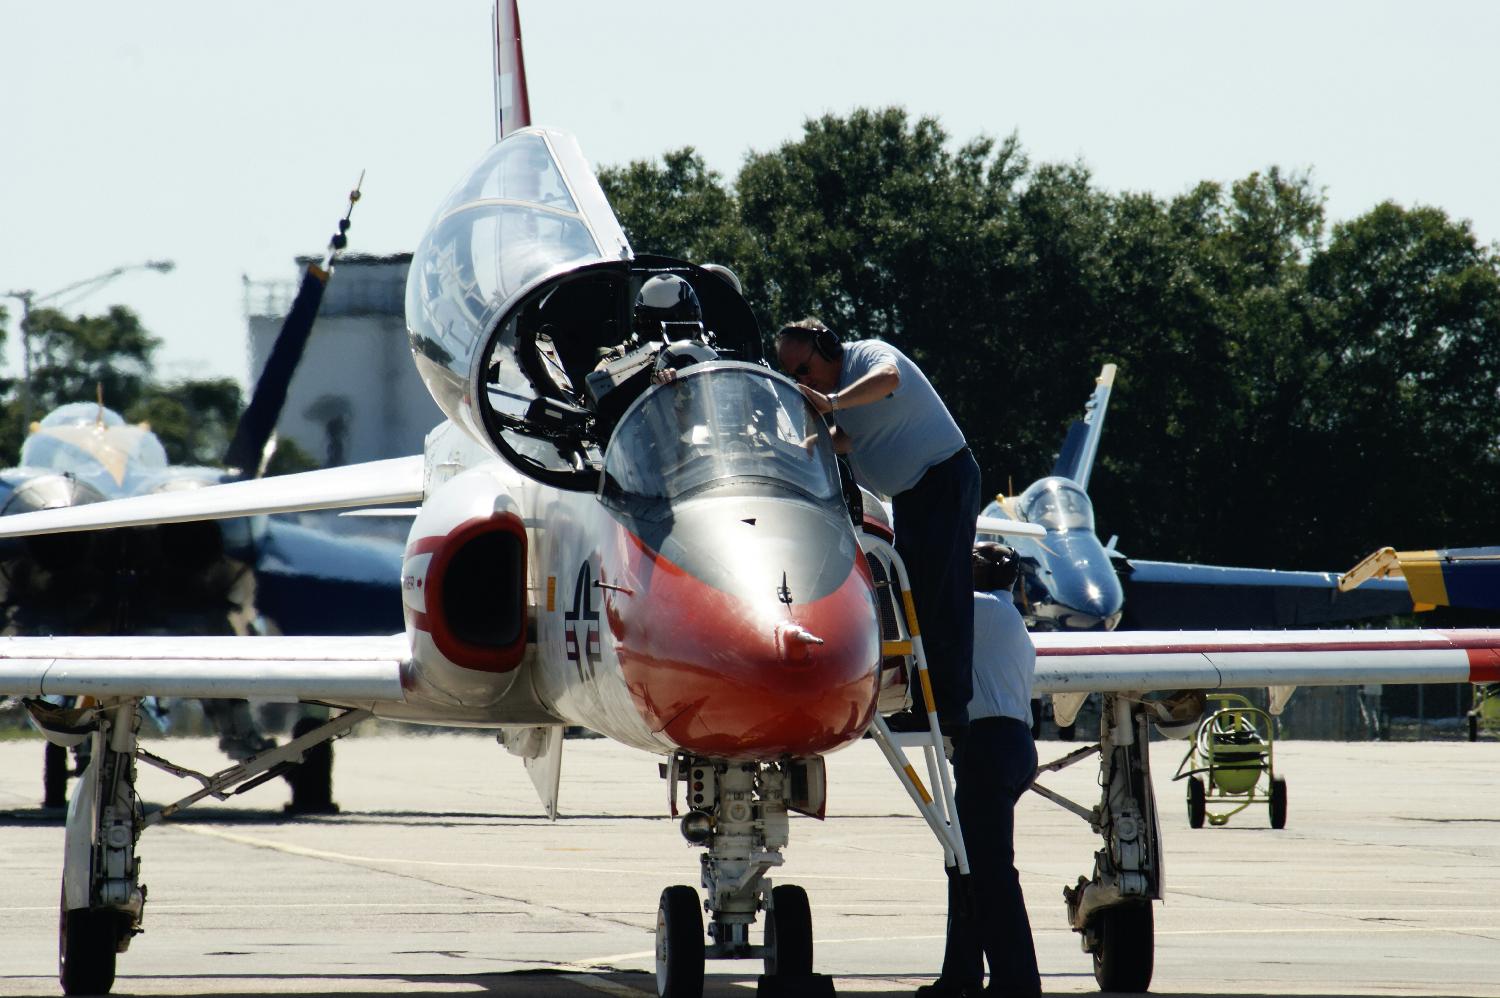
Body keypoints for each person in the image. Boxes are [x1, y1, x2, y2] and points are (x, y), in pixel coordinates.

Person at [775, 318, 980, 731]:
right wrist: (797, 448)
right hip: (916, 494)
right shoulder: (845, 397)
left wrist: (830, 401)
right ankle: (930, 707)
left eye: (802, 369)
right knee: (917, 599)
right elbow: (848, 438)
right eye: (789, 375)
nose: (800, 379)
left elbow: (890, 378)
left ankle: (948, 711)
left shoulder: (867, 356)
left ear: (830, 347)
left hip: (943, 480)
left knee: (941, 597)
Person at [924, 541, 1041, 997]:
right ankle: (961, 976)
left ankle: (1017, 981)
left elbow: (931, 606)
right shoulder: (1005, 616)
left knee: (990, 871)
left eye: (969, 562)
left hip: (990, 745)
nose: (962, 568)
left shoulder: (983, 610)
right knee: (965, 865)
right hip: (1007, 745)